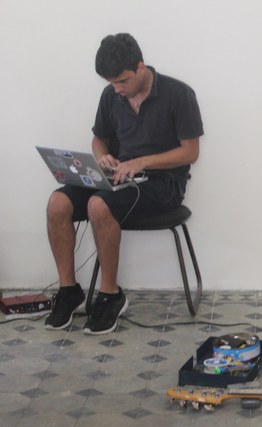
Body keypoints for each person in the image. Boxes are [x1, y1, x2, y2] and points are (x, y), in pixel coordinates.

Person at [45, 33, 204, 334]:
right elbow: (99, 138)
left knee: (98, 205)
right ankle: (69, 291)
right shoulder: (111, 95)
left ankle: (110, 296)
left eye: (122, 81)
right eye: (112, 83)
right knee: (58, 202)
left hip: (162, 185)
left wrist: (141, 162)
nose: (117, 89)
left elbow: (190, 152)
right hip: (119, 178)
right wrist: (102, 156)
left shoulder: (179, 94)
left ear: (140, 67)